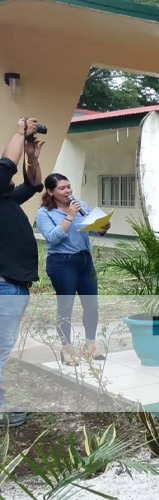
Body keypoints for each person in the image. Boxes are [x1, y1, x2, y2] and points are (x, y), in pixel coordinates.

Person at [36, 173, 110, 365]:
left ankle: (90, 347)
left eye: (69, 186)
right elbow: (52, 238)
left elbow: (91, 229)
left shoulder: (80, 204)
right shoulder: (44, 213)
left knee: (91, 306)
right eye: (62, 188)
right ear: (51, 191)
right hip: (62, 263)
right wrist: (69, 216)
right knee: (66, 308)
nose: (68, 191)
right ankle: (66, 350)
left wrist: (102, 227)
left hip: (85, 261)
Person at [0, 117, 44, 427]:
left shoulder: (5, 200)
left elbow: (33, 185)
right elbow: (5, 167)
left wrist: (32, 158)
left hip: (14, 286)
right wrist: (19, 131)